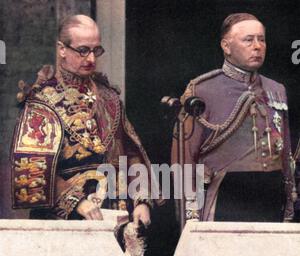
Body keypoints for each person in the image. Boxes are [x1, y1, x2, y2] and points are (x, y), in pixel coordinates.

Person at [11, 15, 157, 224]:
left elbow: (131, 154)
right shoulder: (42, 101)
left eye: (95, 50)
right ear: (62, 49)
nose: (91, 59)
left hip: (115, 214)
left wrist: (142, 199)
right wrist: (77, 202)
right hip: (65, 220)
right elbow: (32, 171)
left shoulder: (109, 97)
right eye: (82, 50)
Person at [172, 13, 296, 222]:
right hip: (227, 200)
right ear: (226, 46)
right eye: (248, 40)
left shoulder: (276, 89)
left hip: (272, 198)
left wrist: (290, 202)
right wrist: (190, 216)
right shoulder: (202, 90)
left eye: (261, 39)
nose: (257, 46)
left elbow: (286, 154)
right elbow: (184, 159)